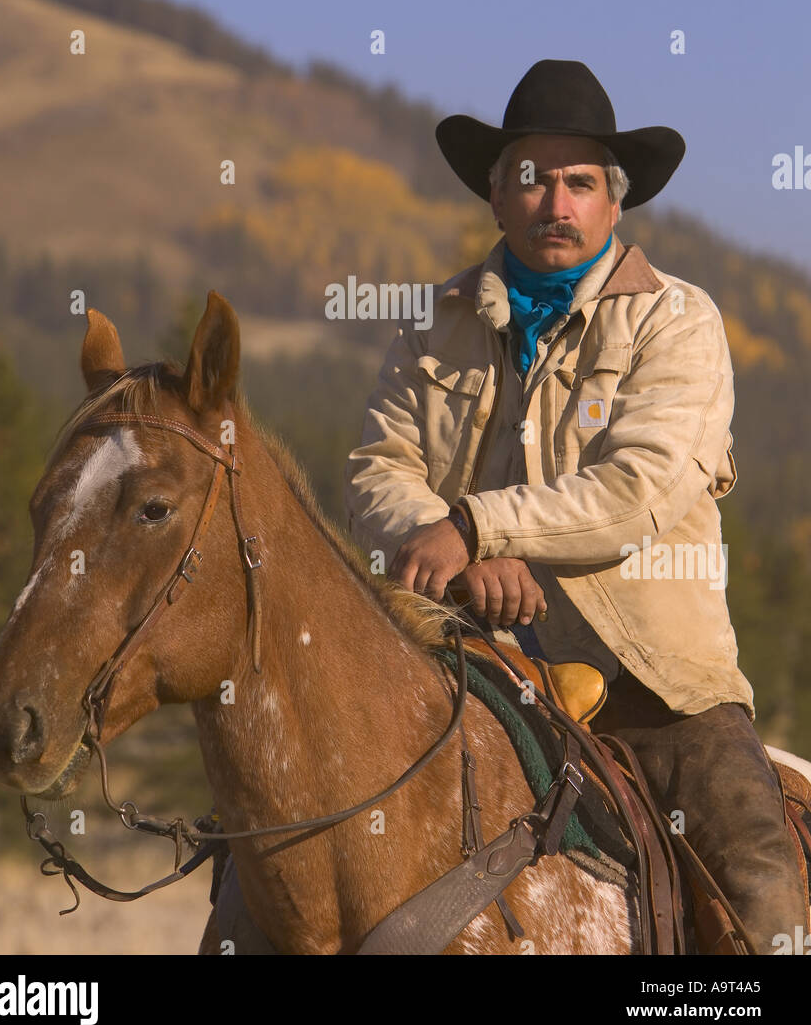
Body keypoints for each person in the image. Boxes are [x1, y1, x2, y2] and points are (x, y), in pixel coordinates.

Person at [344, 58, 807, 954]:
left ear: (612, 203)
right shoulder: (431, 326)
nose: (556, 202)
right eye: (532, 178)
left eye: (580, 182)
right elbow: (378, 466)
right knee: (287, 840)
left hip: (658, 688)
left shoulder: (677, 320)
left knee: (762, 898)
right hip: (465, 666)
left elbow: (639, 487)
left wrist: (480, 523)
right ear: (496, 195)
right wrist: (450, 550)